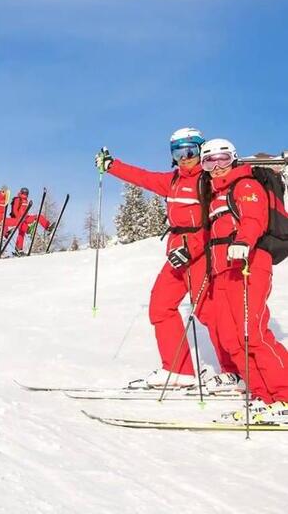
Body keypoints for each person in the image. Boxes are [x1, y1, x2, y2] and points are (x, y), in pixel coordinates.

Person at [95, 127, 237, 391]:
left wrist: (192, 248)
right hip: (176, 256)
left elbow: (216, 223)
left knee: (210, 313)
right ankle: (178, 370)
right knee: (160, 306)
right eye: (178, 152)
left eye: (190, 151)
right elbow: (142, 177)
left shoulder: (209, 182)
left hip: (201, 255)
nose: (185, 157)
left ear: (201, 150)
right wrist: (112, 166)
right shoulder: (172, 181)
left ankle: (234, 372)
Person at [201, 139, 288, 422]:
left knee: (254, 334)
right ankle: (263, 395)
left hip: (250, 264)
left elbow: (253, 219)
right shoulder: (215, 195)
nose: (216, 167)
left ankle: (284, 394)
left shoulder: (246, 185)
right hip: (223, 272)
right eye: (209, 161)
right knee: (231, 337)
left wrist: (244, 241)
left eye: (222, 159)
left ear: (234, 158)